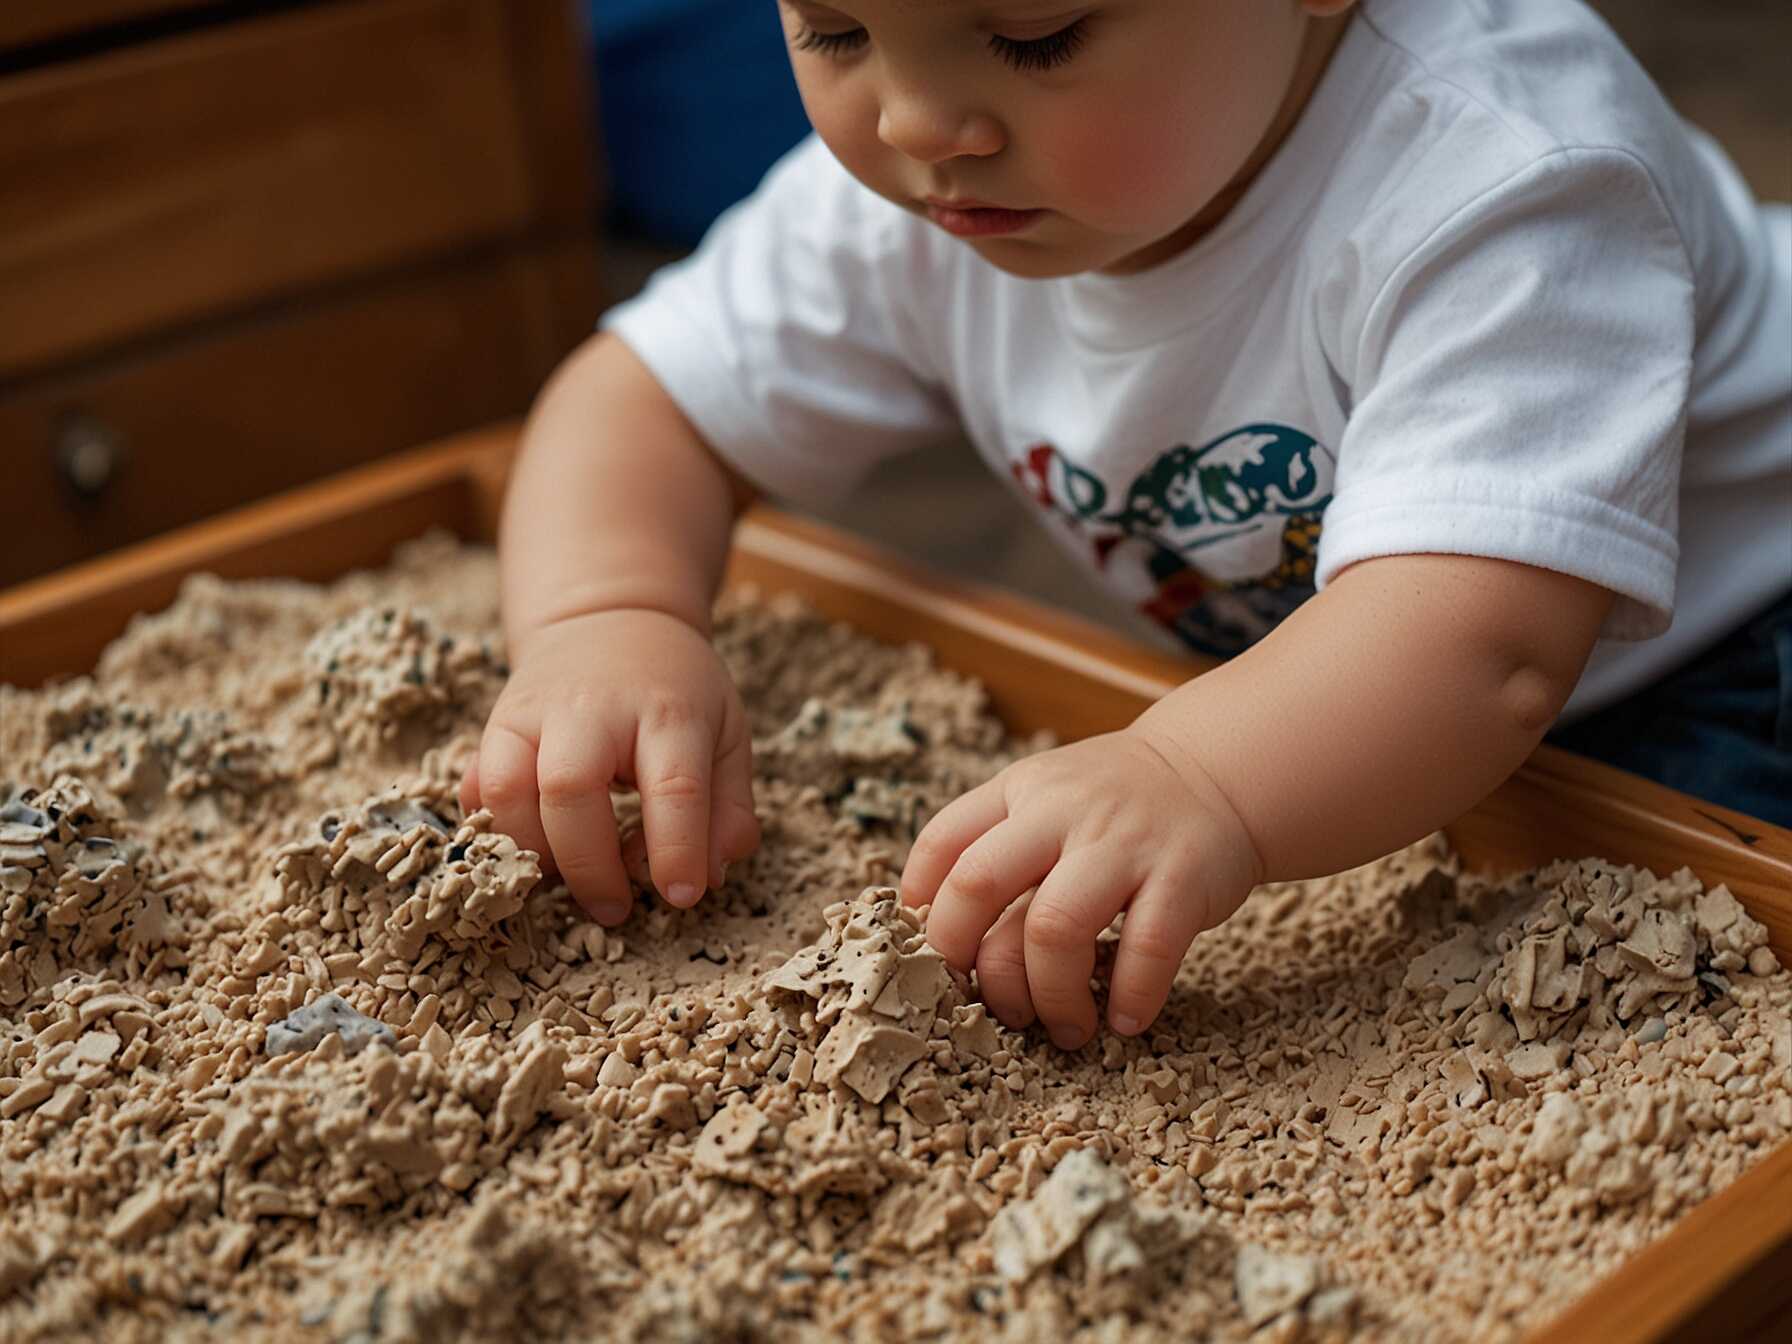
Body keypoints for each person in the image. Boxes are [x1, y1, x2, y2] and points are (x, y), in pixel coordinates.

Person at [462, 0, 1792, 1051]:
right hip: (1365, 652)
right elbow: (643, 399)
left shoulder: (1510, 179)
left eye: (1039, 35)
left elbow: (1482, 641)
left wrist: (1199, 779)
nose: (920, 120)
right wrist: (608, 617)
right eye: (837, 31)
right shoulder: (939, 184)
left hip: (1721, 645)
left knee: (1702, 970)